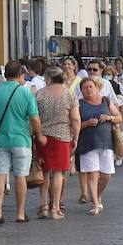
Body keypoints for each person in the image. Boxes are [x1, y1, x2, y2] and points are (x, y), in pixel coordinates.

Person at [0, 61, 43, 224]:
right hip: (22, 140)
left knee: (0, 175)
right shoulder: (26, 93)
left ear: (5, 74)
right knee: (20, 176)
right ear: (20, 75)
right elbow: (34, 118)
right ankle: (20, 213)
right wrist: (39, 136)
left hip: (1, 140)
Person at [33, 67, 79, 219]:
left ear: (49, 78)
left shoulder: (40, 94)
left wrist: (36, 135)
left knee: (45, 171)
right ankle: (56, 208)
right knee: (58, 172)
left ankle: (44, 205)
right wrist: (76, 137)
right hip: (62, 137)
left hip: (43, 137)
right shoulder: (69, 95)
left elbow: (34, 117)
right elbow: (76, 119)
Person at [76, 77, 121, 216]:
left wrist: (109, 118)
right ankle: (96, 204)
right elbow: (74, 125)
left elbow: (119, 117)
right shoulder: (79, 104)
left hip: (106, 143)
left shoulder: (105, 101)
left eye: (91, 86)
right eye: (85, 87)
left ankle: (97, 195)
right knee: (92, 174)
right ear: (81, 90)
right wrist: (87, 123)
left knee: (106, 175)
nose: (88, 89)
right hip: (87, 143)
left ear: (96, 88)